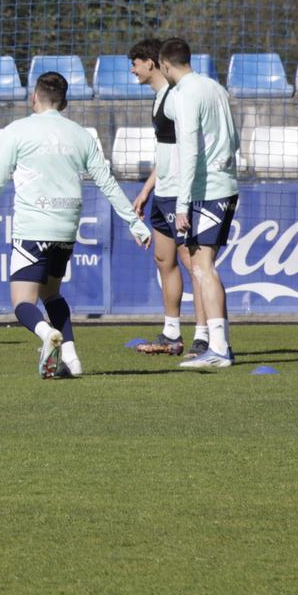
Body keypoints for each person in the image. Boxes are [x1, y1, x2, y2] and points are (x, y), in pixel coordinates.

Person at [0, 71, 151, 379]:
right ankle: (72, 359)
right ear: (64, 102)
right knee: (51, 294)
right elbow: (106, 182)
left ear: (34, 97)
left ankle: (46, 334)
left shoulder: (18, 130)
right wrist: (134, 223)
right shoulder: (81, 134)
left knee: (22, 302)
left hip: (33, 228)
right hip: (66, 228)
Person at [160, 38, 241, 370]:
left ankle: (219, 349)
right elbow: (234, 137)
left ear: (165, 66)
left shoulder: (184, 94)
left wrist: (182, 203)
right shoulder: (215, 87)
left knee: (202, 267)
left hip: (207, 190)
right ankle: (219, 344)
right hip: (225, 183)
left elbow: (189, 147)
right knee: (202, 265)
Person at [126, 36, 198, 357]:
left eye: (135, 63)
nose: (132, 70)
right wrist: (145, 190)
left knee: (195, 264)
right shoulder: (158, 99)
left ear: (151, 63)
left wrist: (185, 192)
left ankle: (208, 336)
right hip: (163, 192)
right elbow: (165, 153)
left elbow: (190, 147)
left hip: (179, 193)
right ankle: (172, 335)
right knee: (163, 260)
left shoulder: (174, 97)